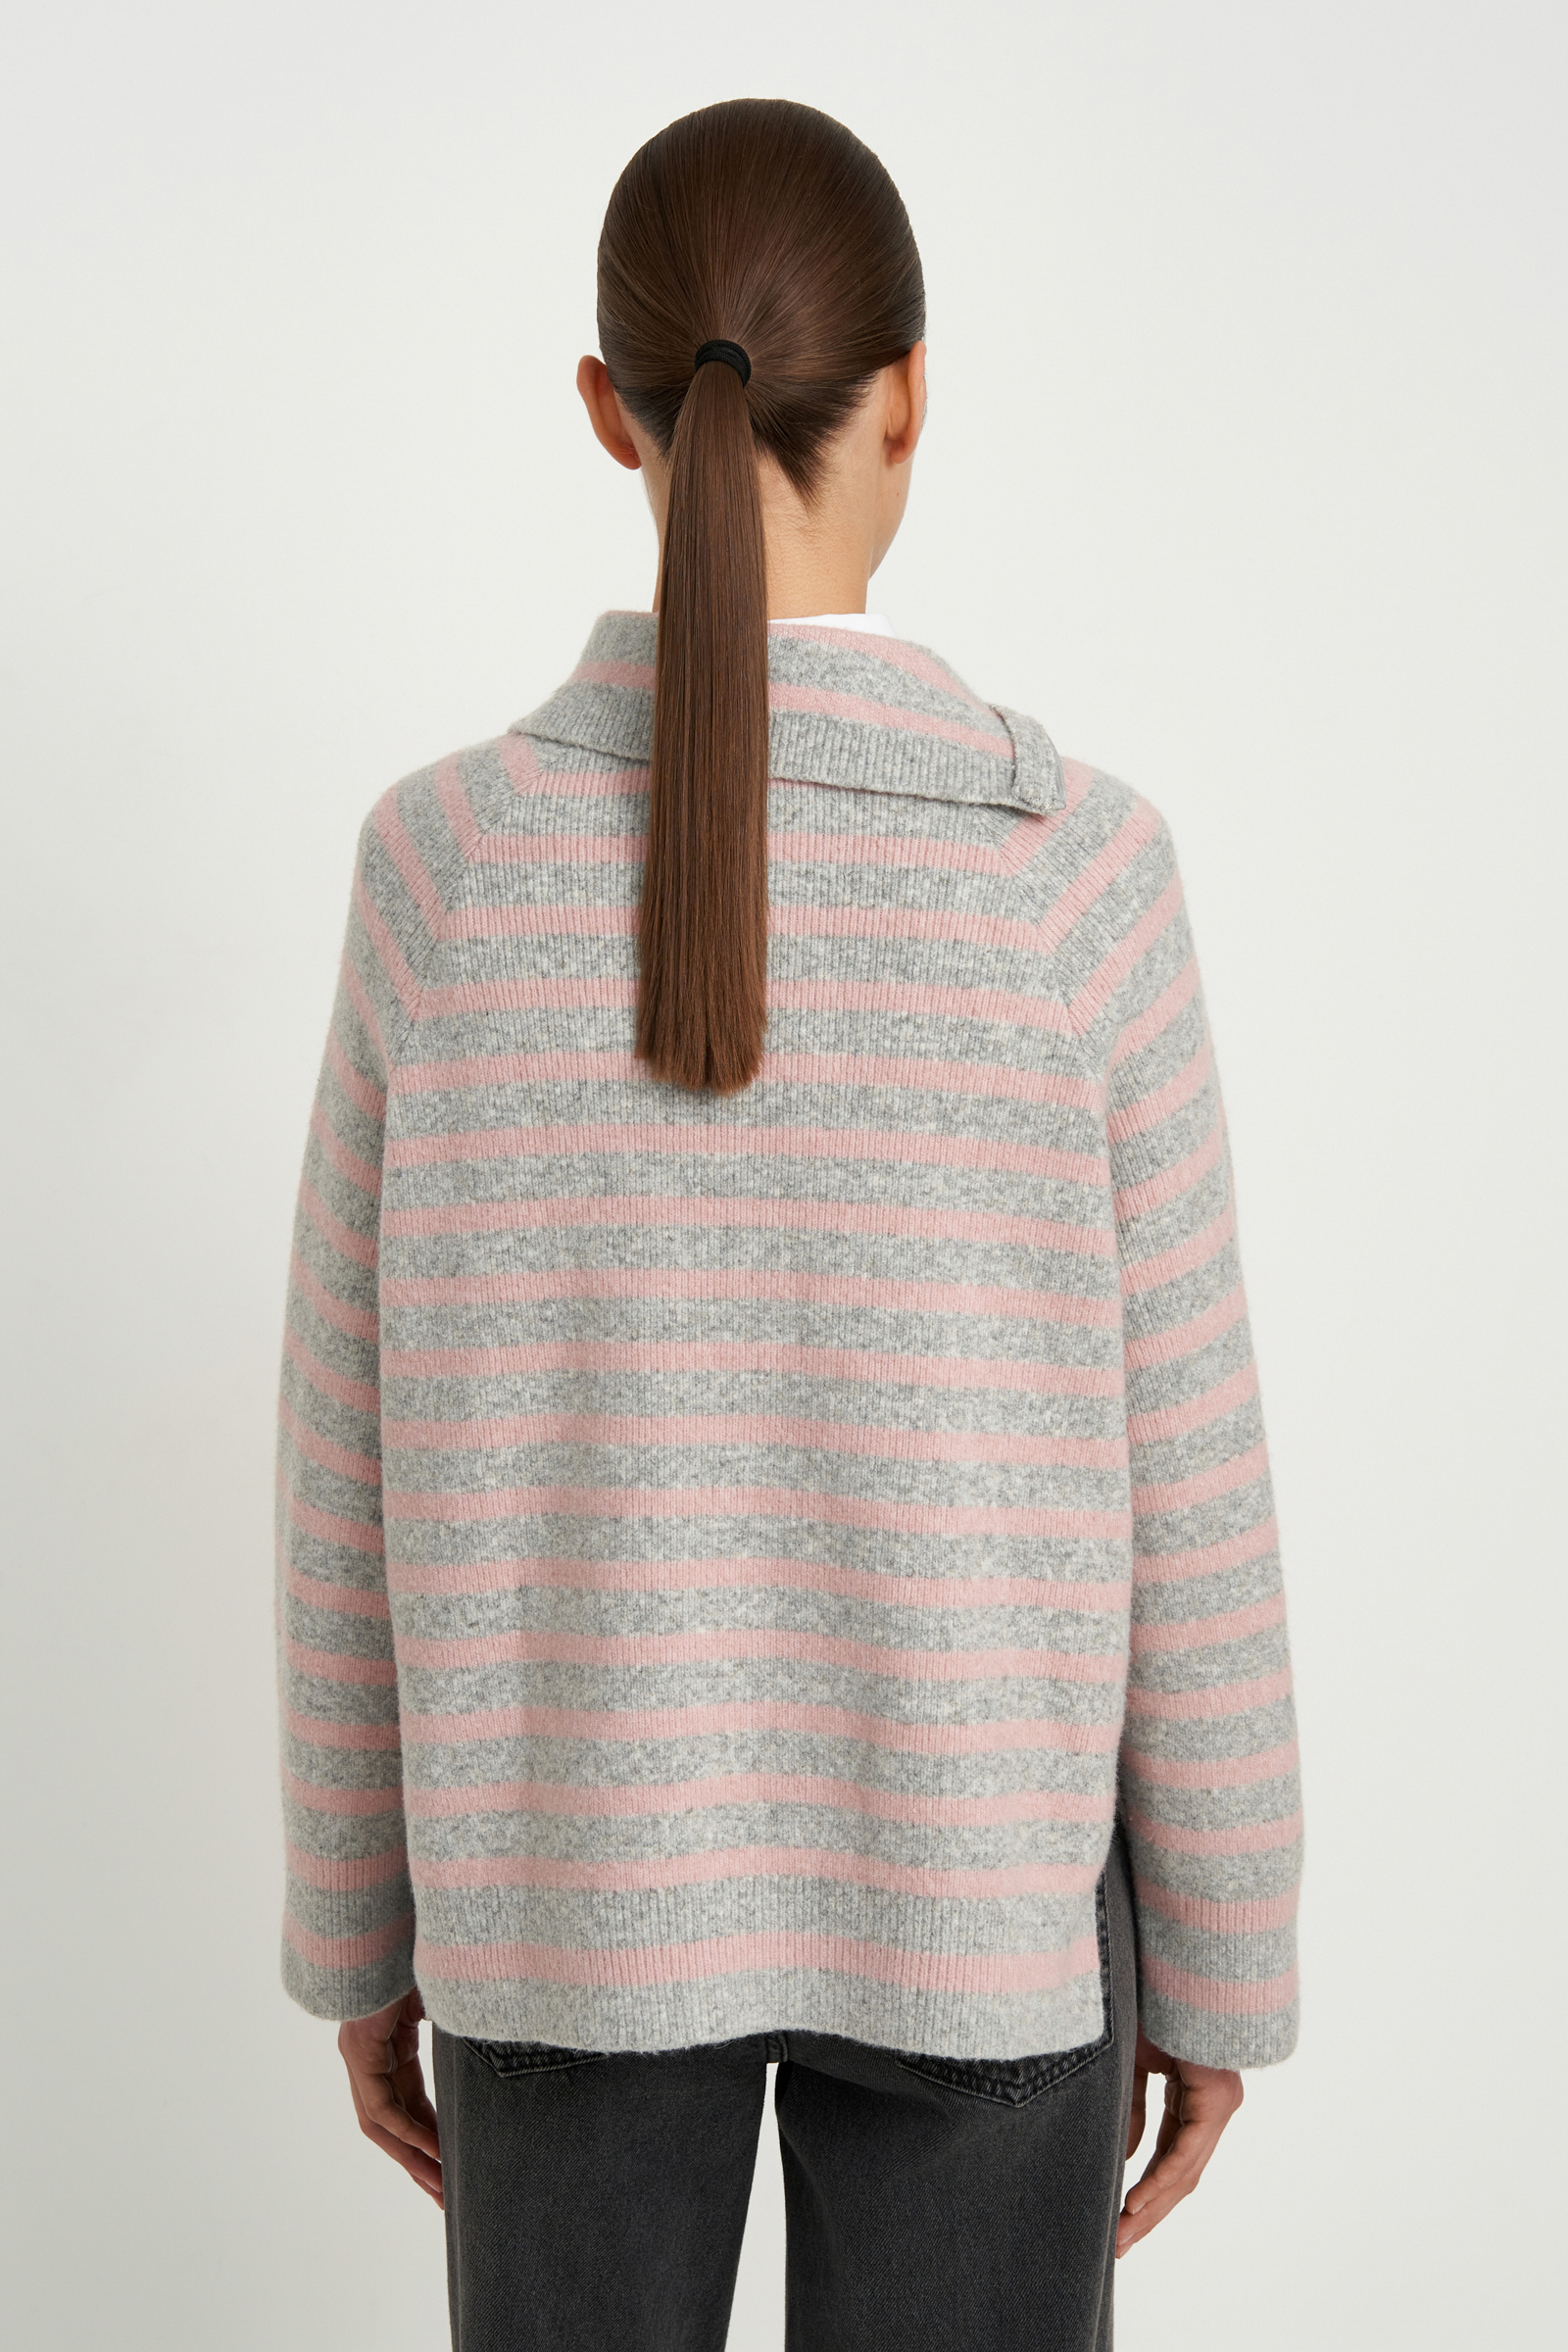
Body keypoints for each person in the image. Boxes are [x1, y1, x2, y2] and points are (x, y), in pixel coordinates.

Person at [274, 96, 1301, 2351]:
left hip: (557, 1908)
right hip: (982, 1909)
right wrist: (1222, 1958)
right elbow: (1190, 1478)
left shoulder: (443, 871)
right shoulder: (1076, 879)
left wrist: (357, 1930)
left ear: (605, 408)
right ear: (909, 395)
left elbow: (347, 1462)